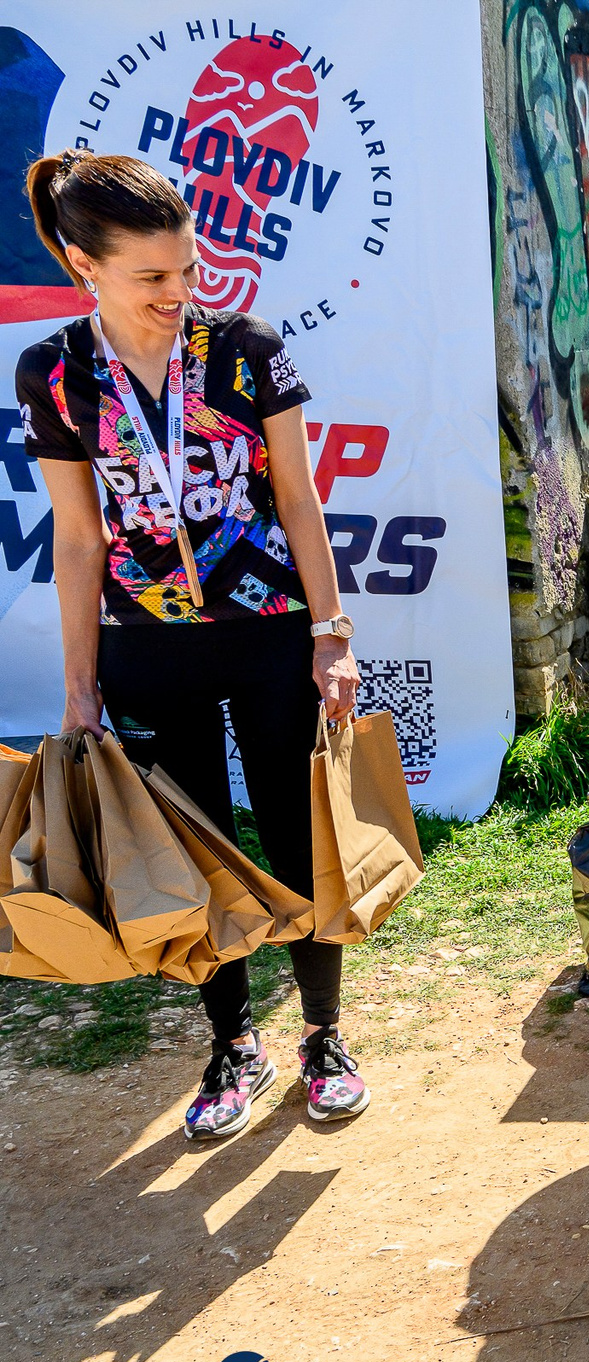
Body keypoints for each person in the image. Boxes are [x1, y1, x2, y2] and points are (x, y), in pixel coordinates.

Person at [16, 152, 367, 1140]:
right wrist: (81, 687)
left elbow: (299, 500)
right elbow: (78, 538)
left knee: (300, 843)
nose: (182, 293)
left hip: (267, 636)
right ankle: (232, 1044)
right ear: (85, 265)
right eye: (153, 278)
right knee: (192, 853)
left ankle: (325, 1035)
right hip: (145, 649)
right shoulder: (53, 372)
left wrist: (331, 634)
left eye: (189, 269)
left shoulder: (247, 348)